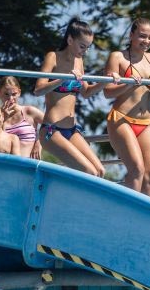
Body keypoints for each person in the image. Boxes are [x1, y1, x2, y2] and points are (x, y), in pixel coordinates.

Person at [34, 18, 120, 176]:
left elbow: (86, 92)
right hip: (52, 131)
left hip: (72, 129)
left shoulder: (79, 61)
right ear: (69, 40)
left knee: (100, 171)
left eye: (88, 48)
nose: (85, 51)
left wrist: (105, 80)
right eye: (82, 46)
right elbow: (38, 90)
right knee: (89, 171)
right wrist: (63, 78)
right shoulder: (53, 57)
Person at [103, 18, 150, 197]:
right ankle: (125, 211)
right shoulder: (117, 57)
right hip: (121, 119)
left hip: (146, 121)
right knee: (137, 169)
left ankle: (142, 214)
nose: (147, 41)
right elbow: (107, 92)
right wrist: (128, 84)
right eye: (142, 36)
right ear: (131, 35)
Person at [0, 76, 44, 159]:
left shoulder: (29, 112)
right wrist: (4, 119)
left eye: (14, 94)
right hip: (5, 164)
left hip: (29, 164)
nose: (10, 98)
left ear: (19, 93)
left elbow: (53, 126)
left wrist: (40, 142)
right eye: (6, 94)